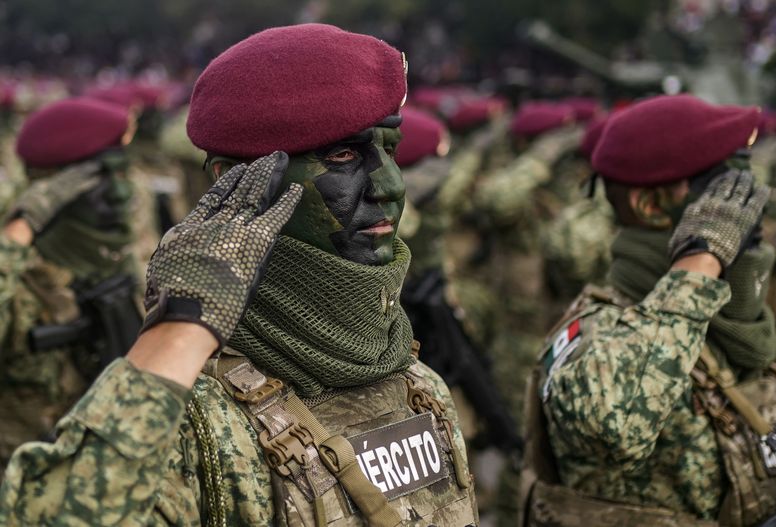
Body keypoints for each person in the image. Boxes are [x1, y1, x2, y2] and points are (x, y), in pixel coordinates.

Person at [0, 24, 478, 526]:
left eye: (392, 151)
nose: (391, 185)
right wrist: (180, 329)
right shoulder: (200, 427)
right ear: (233, 180)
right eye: (341, 156)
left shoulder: (417, 383)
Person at [521, 94, 776, 526]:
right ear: (651, 206)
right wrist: (702, 256)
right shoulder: (595, 334)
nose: (745, 206)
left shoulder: (721, 325)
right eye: (723, 191)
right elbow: (614, 424)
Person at [0, 97, 141, 472]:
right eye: (100, 182)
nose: (121, 194)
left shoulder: (120, 263)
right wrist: (21, 226)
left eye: (121, 175)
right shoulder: (18, 278)